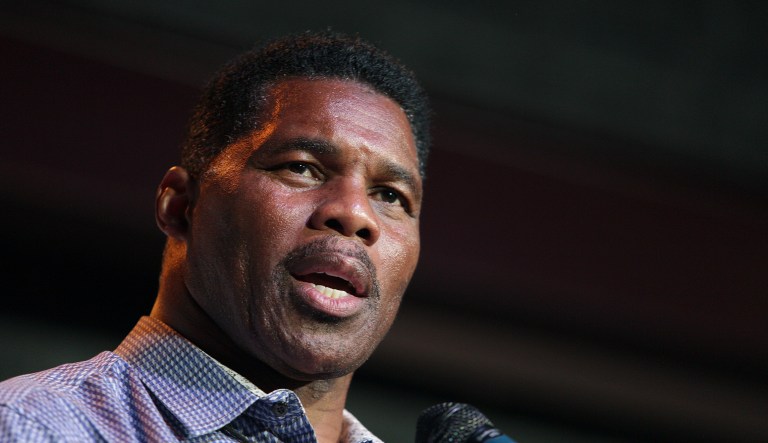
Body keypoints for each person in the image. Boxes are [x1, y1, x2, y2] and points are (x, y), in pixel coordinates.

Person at [0, 31, 430, 443]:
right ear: (181, 205)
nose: (355, 214)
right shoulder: (34, 427)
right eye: (300, 167)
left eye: (390, 195)